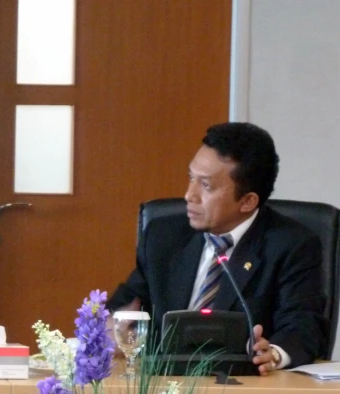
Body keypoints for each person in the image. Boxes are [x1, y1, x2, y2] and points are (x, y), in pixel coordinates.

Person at [108, 122, 327, 376]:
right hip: (162, 391)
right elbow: (127, 304)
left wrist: (274, 353)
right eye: (191, 178)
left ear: (247, 201)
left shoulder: (292, 245)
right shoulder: (162, 236)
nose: (189, 195)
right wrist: (114, 323)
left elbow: (304, 327)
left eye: (206, 186)